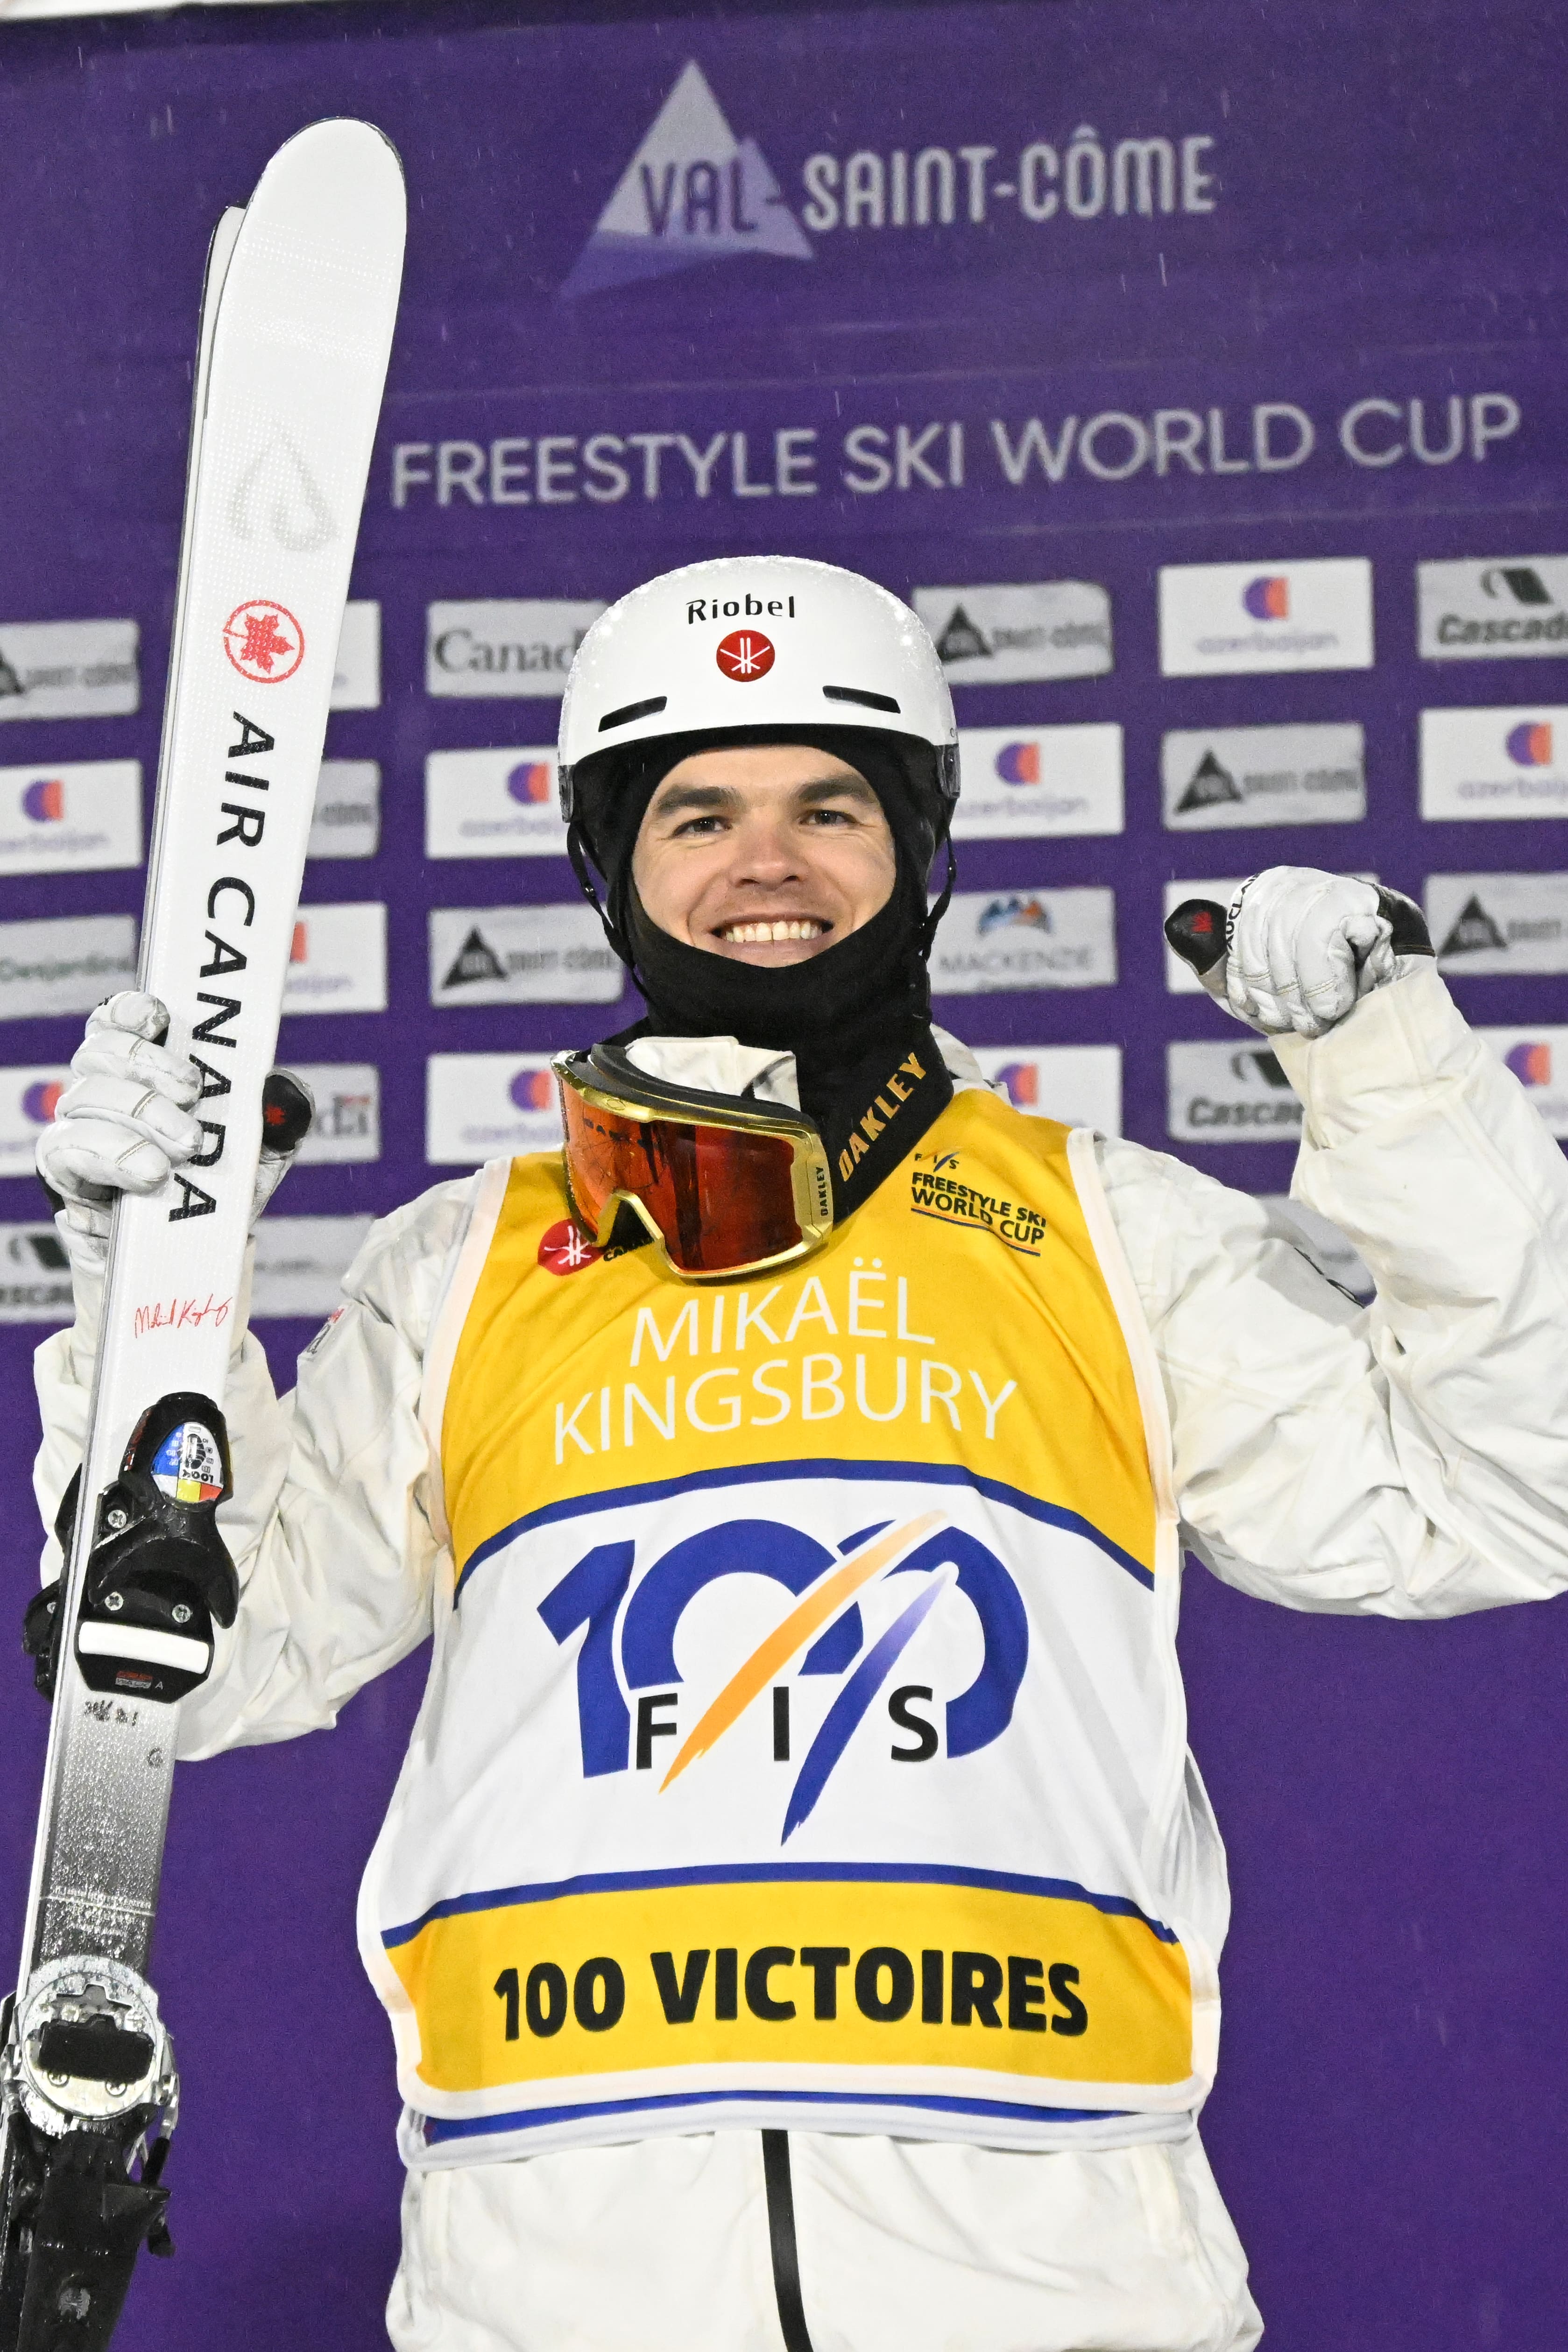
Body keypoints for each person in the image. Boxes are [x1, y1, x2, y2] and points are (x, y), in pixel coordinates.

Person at [31, 556, 1568, 2352]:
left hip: (1050, 2276)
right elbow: (200, 1673)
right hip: (555, 2280)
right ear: (612, 866)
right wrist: (156, 1296)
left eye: (829, 804)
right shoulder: (468, 1263)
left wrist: (1385, 1069)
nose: (766, 864)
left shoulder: (1100, 1226)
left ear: (918, 849)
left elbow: (1501, 1493)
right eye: (699, 811)